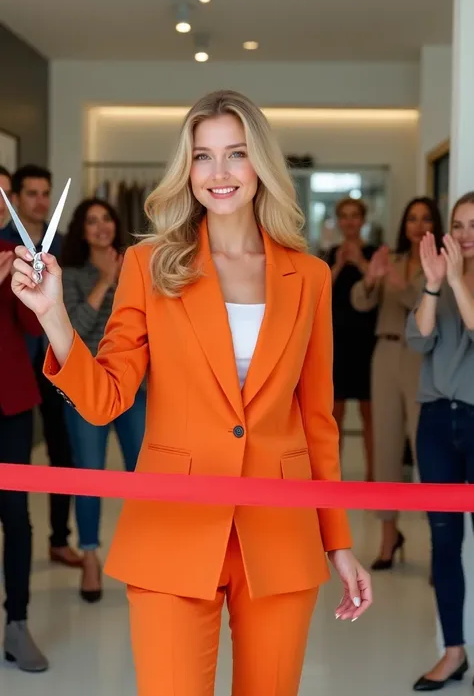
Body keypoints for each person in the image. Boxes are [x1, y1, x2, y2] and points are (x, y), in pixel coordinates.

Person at [11, 89, 372, 696]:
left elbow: (317, 422)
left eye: (236, 154)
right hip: (173, 528)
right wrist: (53, 318)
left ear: (261, 164)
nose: (220, 173)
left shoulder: (309, 275)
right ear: (188, 169)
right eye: (203, 157)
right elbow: (105, 399)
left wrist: (337, 542)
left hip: (279, 533)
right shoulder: (150, 264)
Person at [351, 198, 444, 571]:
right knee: (385, 448)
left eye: (425, 219)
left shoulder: (439, 263)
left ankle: (441, 543)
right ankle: (389, 537)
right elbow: (360, 302)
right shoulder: (390, 260)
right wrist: (372, 277)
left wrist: (401, 284)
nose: (418, 225)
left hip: (422, 360)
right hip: (385, 354)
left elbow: (425, 305)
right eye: (411, 218)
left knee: (428, 452)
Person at [60, 198, 146, 602]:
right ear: (82, 230)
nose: (101, 227)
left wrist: (121, 274)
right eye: (91, 221)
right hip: (87, 390)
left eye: (106, 219)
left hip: (137, 390)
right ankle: (91, 557)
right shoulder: (71, 275)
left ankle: (145, 555)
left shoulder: (137, 266)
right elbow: (74, 330)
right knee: (89, 476)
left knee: (145, 474)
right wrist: (105, 280)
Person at [406, 192, 474, 692]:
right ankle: (453, 653)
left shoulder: (461, 281)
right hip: (435, 423)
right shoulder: (437, 278)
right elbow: (418, 340)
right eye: (459, 224)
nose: (466, 233)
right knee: (444, 542)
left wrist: (455, 281)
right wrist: (433, 285)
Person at [2, 165, 81, 568]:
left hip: (55, 360)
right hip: (15, 366)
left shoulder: (63, 243)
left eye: (45, 193)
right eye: (31, 193)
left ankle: (59, 538)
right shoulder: (3, 241)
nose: (40, 200)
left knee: (61, 448)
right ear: (15, 198)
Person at [0, 225, 48, 669]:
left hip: (11, 403)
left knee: (16, 516)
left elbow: (34, 327)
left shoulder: (9, 252)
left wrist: (28, 285)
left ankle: (17, 623)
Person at [326, 198, 377, 482]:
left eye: (354, 216)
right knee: (335, 417)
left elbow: (379, 291)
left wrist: (360, 262)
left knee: (371, 415)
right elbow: (317, 292)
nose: (349, 221)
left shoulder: (374, 254)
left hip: (368, 343)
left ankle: (372, 476)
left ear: (362, 220)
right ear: (339, 221)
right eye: (344, 216)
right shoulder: (330, 254)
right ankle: (335, 478)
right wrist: (338, 266)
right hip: (337, 344)